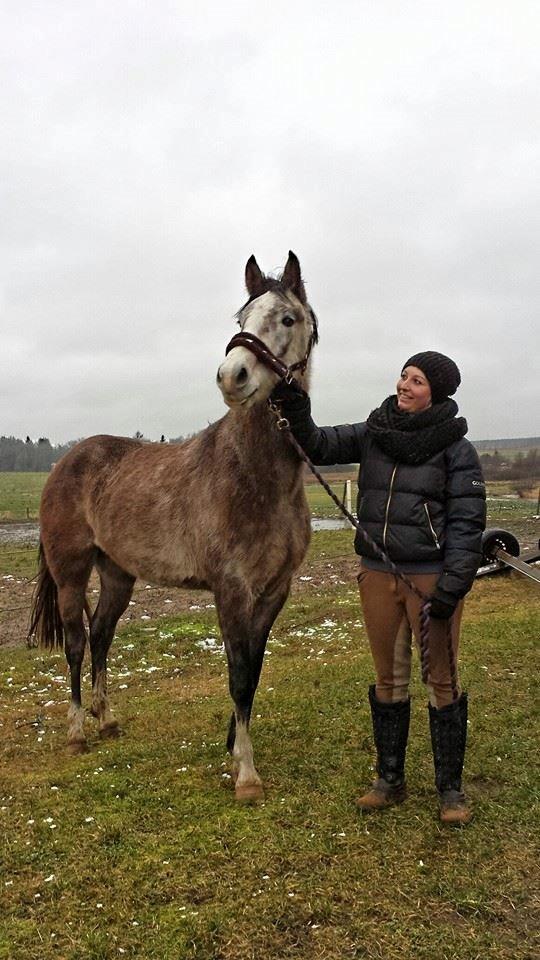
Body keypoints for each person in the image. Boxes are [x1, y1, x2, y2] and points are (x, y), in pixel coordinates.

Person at [272, 351, 486, 825]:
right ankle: (389, 780)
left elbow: (468, 524)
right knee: (389, 680)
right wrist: (297, 406)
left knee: (441, 681)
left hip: (430, 580)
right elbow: (319, 445)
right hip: (376, 572)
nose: (405, 385)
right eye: (404, 376)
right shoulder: (374, 432)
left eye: (417, 381)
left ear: (438, 393)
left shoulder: (456, 449)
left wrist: (452, 586)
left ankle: (450, 791)